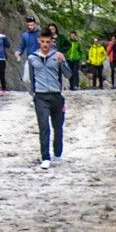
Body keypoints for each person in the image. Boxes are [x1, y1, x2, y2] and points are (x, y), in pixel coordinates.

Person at [22, 28, 69, 170]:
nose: (45, 44)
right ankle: (45, 157)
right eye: (42, 41)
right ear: (38, 41)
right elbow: (27, 78)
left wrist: (62, 62)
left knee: (58, 127)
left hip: (56, 95)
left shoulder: (58, 56)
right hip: (41, 97)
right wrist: (33, 94)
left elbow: (68, 75)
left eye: (48, 42)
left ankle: (58, 153)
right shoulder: (32, 58)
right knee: (44, 127)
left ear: (52, 42)